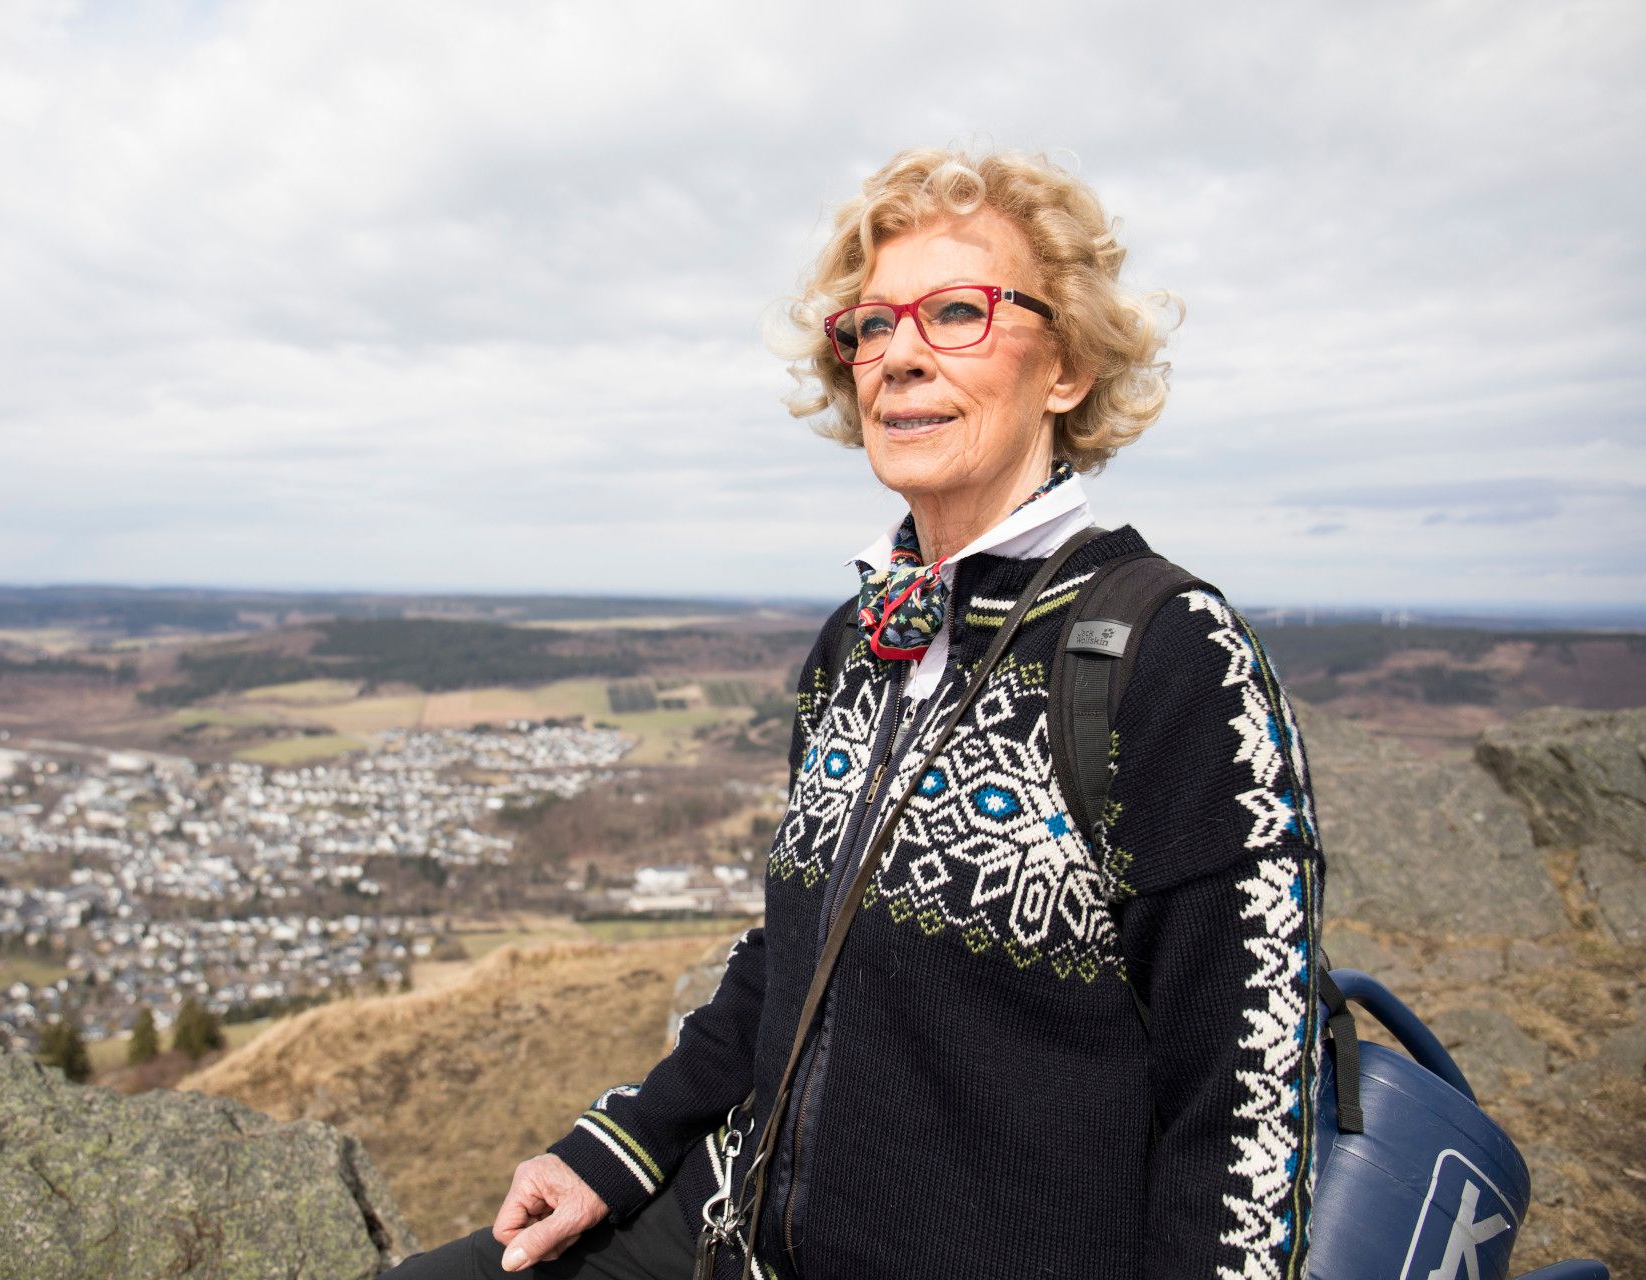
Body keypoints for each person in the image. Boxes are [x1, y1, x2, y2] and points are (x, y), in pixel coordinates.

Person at [386, 147, 1323, 1280]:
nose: (901, 356)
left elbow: (1246, 1107)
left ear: (1066, 365)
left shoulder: (1166, 652)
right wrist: (622, 1142)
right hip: (738, 1236)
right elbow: (799, 945)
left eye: (959, 312)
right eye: (872, 327)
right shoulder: (861, 640)